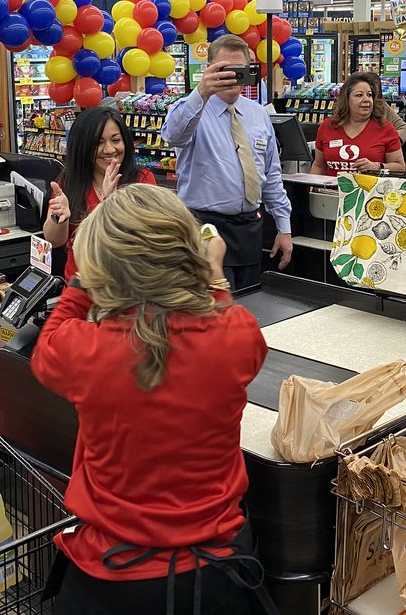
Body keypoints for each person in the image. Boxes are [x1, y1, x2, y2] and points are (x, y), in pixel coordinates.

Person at [31, 183, 274, 615]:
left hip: (112, 577)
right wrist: (213, 274)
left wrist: (84, 279)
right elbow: (216, 315)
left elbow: (47, 343)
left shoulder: (85, 349)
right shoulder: (237, 335)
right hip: (220, 570)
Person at [162, 35, 293, 290]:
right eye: (224, 70)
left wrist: (284, 227)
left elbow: (271, 176)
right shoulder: (189, 110)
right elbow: (173, 135)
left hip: (250, 230)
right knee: (216, 313)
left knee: (250, 306)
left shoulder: (257, 114)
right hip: (205, 229)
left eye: (239, 70)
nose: (232, 77)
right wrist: (201, 92)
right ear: (209, 69)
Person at [44, 107, 156, 283]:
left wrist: (111, 205)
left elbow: (147, 238)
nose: (110, 149)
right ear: (83, 146)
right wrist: (60, 217)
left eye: (116, 140)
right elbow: (54, 241)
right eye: (98, 143)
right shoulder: (67, 183)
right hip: (80, 290)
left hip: (126, 287)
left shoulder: (141, 180)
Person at [309, 72, 405, 177]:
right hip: (330, 192)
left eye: (369, 95)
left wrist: (377, 166)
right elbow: (319, 166)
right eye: (359, 95)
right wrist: (310, 189)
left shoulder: (385, 128)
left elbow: (400, 167)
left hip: (370, 192)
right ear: (346, 99)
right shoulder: (327, 126)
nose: (366, 99)